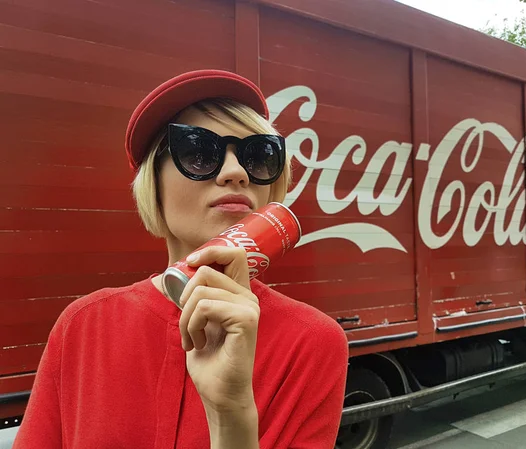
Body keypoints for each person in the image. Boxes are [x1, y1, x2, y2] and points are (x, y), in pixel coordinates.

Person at [13, 70, 349, 449]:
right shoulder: (83, 326)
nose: (237, 172)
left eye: (258, 156)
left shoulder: (313, 341)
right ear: (153, 184)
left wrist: (231, 413)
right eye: (199, 152)